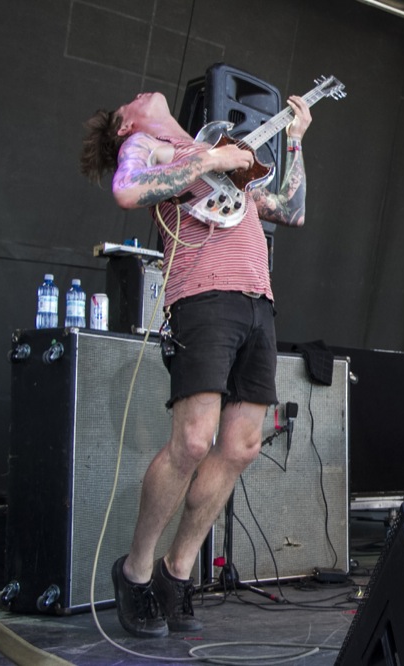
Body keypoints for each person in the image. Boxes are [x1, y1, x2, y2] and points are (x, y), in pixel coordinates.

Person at [79, 90, 312, 637]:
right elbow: (127, 190)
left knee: (241, 445)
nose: (144, 93)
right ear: (124, 126)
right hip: (203, 297)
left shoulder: (217, 146)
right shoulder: (149, 146)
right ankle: (134, 573)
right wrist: (208, 161)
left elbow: (291, 209)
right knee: (192, 440)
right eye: (131, 101)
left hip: (259, 300)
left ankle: (175, 572)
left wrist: (297, 138)